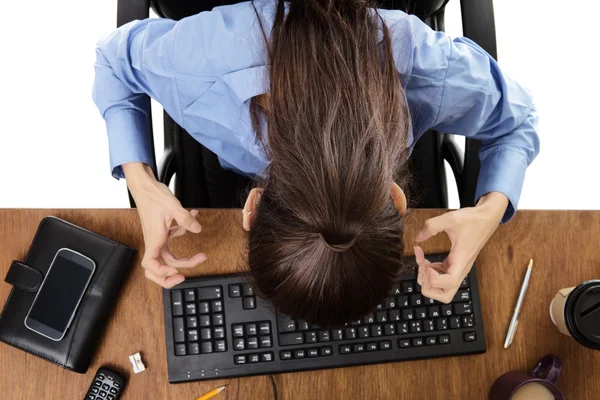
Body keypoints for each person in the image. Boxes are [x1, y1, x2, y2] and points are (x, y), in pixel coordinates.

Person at [93, 0, 539, 326]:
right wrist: (141, 181)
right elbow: (112, 59)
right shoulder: (198, 60)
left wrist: (489, 212)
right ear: (251, 208)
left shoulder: (426, 65)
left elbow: (518, 119)